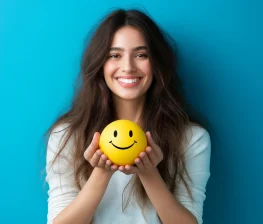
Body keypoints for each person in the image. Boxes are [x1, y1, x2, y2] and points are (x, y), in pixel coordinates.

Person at [45, 8, 211, 224]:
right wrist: (101, 173)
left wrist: (150, 174)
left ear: (157, 64)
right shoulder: (67, 135)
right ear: (100, 64)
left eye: (141, 55)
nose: (128, 67)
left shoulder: (190, 138)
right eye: (115, 55)